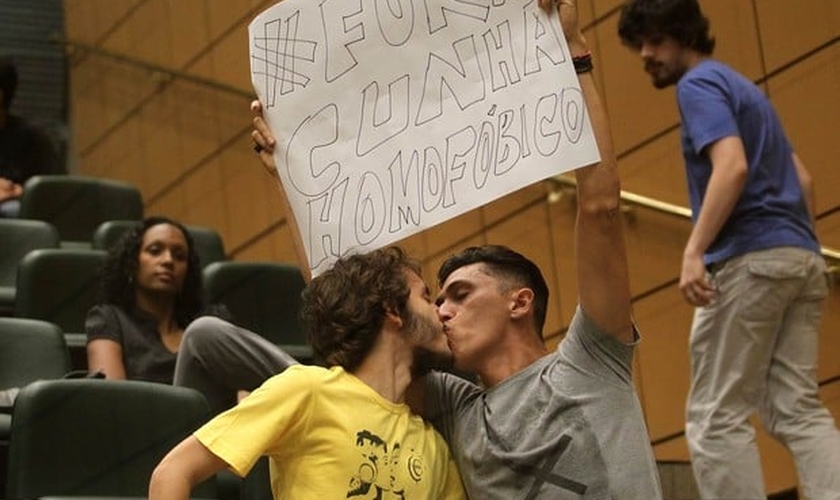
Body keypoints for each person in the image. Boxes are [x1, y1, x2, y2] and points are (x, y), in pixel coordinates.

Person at [246, 1, 662, 497]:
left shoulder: (591, 359)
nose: (441, 309)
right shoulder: (452, 405)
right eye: (437, 298)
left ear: (520, 301)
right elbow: (345, 302)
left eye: (459, 294)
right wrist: (289, 179)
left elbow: (601, 209)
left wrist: (573, 54)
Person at [617, 1, 840, 498]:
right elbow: (802, 180)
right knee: (796, 409)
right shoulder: (743, 89)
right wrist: (796, 244)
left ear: (682, 33)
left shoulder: (698, 86)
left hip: (748, 260)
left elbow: (732, 166)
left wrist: (694, 250)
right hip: (801, 256)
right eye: (639, 46)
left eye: (654, 40)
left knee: (714, 417)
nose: (645, 55)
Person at [149, 246, 466, 499]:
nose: (441, 313)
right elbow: (173, 472)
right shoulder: (307, 390)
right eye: (426, 297)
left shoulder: (435, 446)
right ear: (392, 310)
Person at [86, 216, 299, 414]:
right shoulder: (109, 319)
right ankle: (310, 385)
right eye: (155, 250)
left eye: (179, 256)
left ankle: (307, 388)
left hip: (220, 433)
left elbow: (243, 392)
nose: (168, 260)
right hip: (151, 433)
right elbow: (113, 402)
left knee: (206, 329)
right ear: (132, 263)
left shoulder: (210, 318)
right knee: (202, 332)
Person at [0, 56, 63, 217]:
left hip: (15, 220)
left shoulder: (33, 138)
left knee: (13, 210)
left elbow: (54, 192)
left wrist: (20, 192)